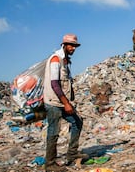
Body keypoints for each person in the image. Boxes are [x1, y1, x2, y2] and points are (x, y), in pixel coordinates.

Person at [43, 34, 85, 172]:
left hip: (62, 101)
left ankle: (72, 153)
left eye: (75, 46)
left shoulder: (65, 60)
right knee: (54, 131)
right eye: (70, 45)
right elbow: (55, 84)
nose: (73, 48)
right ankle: (50, 164)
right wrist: (66, 103)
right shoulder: (56, 59)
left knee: (77, 122)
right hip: (54, 102)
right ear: (64, 45)